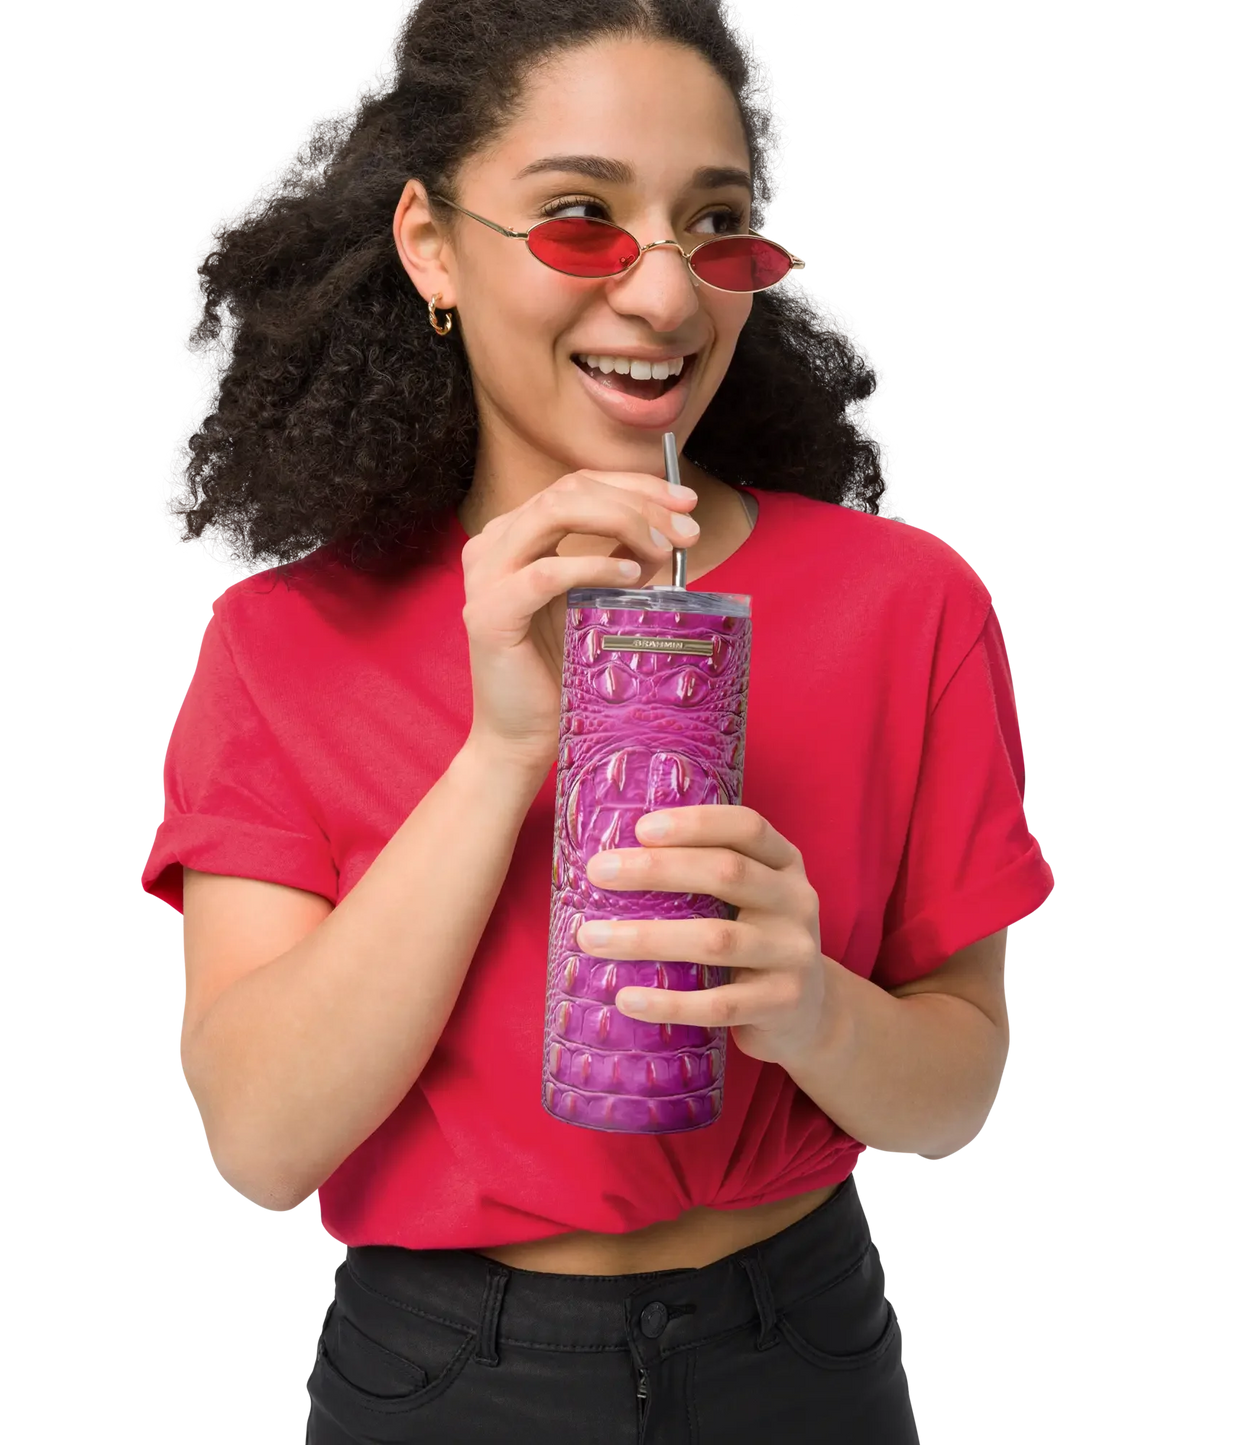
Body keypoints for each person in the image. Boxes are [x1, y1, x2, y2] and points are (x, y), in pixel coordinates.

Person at [140, 2, 1056, 1440]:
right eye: (581, 220)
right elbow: (260, 1146)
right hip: (441, 1372)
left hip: (805, 1344)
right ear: (431, 245)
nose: (667, 298)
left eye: (716, 227)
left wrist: (814, 1007)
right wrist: (506, 750)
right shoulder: (280, 638)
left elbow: (958, 1097)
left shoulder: (909, 603)